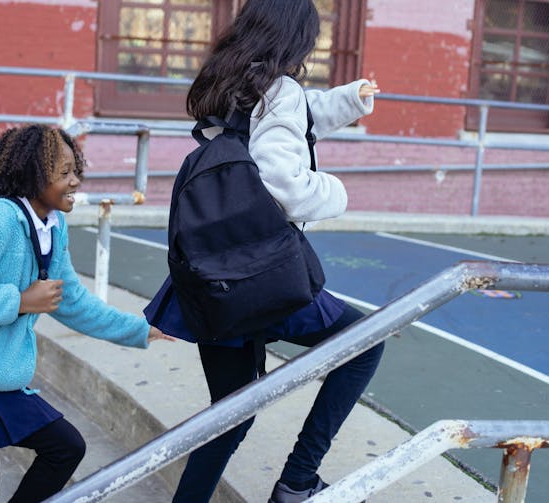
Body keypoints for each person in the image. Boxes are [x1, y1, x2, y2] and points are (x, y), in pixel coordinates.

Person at [143, 1, 384, 502]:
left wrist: (349, 98)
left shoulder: (225, 85)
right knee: (364, 344)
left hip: (213, 272)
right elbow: (281, 179)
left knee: (227, 417)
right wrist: (336, 191)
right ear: (297, 38)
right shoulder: (282, 91)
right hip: (263, 271)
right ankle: (297, 480)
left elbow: (285, 117)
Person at [0, 124, 174, 503]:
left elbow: (71, 301)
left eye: (75, 170)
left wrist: (139, 329)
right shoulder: (0, 219)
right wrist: (19, 301)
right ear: (31, 174)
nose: (75, 181)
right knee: (62, 449)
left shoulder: (53, 225)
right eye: (63, 172)